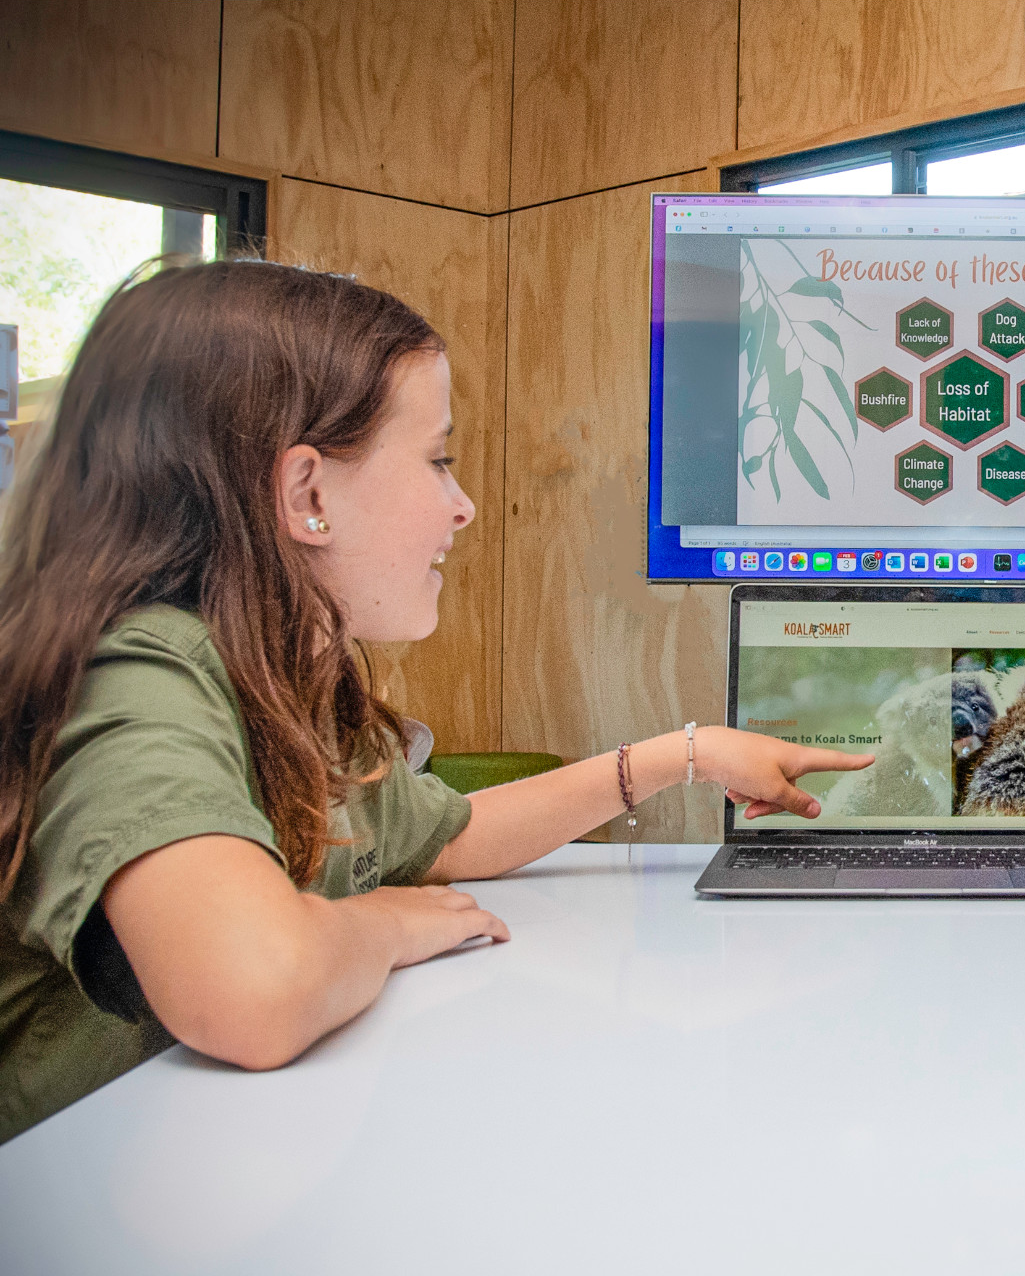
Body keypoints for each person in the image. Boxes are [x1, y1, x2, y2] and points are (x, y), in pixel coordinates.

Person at [0, 260, 872, 1142]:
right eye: (436, 460)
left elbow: (452, 835)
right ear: (306, 495)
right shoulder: (140, 672)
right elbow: (253, 988)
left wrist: (688, 754)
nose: (462, 508)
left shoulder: (284, 679)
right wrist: (379, 924)